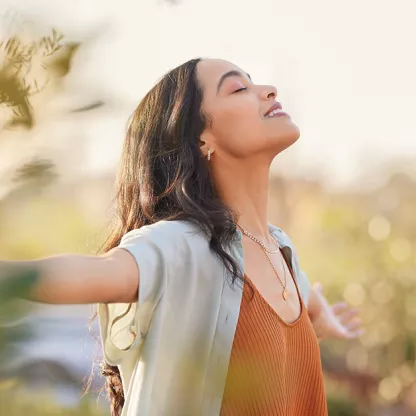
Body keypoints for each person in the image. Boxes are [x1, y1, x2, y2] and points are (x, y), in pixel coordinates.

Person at [0, 58, 363, 416]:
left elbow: (297, 298)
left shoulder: (281, 251)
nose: (268, 91)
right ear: (201, 137)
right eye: (239, 88)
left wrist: (319, 313)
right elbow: (100, 273)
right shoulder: (182, 246)